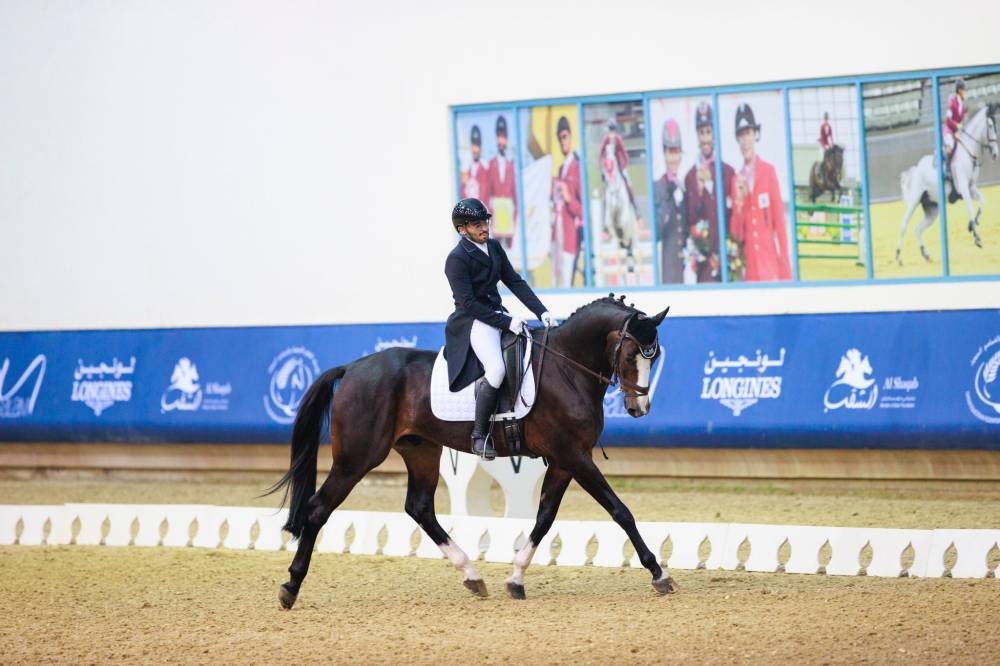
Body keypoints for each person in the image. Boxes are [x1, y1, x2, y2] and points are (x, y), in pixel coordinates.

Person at [444, 198, 555, 460]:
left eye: (485, 222)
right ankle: (479, 436)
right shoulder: (456, 259)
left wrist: (542, 311)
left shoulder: (493, 248)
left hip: (496, 314)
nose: (484, 227)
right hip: (472, 321)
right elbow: (468, 303)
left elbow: (514, 281)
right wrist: (507, 322)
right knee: (496, 369)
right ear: (463, 229)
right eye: (477, 224)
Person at [728, 103, 792, 282]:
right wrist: (739, 204)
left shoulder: (768, 172)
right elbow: (736, 236)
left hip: (769, 266)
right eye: (741, 135)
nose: (745, 140)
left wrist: (785, 270)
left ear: (755, 135)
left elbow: (779, 223)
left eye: (748, 133)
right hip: (750, 271)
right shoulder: (736, 180)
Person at [684, 101, 734, 283]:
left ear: (714, 134)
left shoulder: (728, 172)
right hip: (704, 267)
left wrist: (726, 253)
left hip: (728, 262)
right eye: (701, 133)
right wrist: (698, 189)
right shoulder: (690, 177)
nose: (705, 138)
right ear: (697, 135)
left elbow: (732, 216)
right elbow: (690, 220)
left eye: (708, 132)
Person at [653, 118, 687, 283]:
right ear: (664, 154)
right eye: (670, 152)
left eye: (676, 152)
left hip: (686, 268)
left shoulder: (685, 185)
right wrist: (667, 200)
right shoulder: (659, 186)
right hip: (668, 266)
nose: (673, 158)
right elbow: (657, 231)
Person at [552, 116, 584, 287]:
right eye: (560, 138)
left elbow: (582, 210)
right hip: (558, 235)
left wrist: (568, 199)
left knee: (566, 284)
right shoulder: (561, 168)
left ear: (570, 136)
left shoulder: (577, 167)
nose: (562, 141)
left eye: (564, 137)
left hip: (570, 238)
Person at [487, 115, 518, 251]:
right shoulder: (491, 164)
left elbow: (515, 193)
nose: (501, 140)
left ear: (506, 139)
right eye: (499, 136)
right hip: (497, 218)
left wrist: (515, 217)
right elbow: (488, 192)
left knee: (509, 253)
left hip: (509, 215)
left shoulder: (511, 165)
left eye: (503, 137)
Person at [598, 118, 638, 211]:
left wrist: (624, 164)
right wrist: (602, 166)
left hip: (619, 165)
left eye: (613, 129)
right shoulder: (605, 139)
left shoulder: (618, 139)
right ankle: (604, 210)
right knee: (604, 187)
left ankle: (635, 207)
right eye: (610, 129)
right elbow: (601, 152)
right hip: (608, 167)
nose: (612, 132)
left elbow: (624, 152)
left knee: (628, 182)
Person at [943, 78, 968, 180]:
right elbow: (948, 120)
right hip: (948, 130)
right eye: (964, 89)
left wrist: (959, 130)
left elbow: (961, 120)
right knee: (951, 144)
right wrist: (957, 126)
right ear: (959, 90)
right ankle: (947, 169)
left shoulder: (962, 105)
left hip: (956, 132)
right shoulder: (952, 102)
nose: (965, 91)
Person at [461, 125, 490, 202]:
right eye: (474, 145)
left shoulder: (486, 169)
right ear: (471, 146)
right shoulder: (465, 170)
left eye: (477, 145)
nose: (475, 149)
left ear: (480, 147)